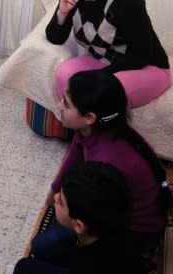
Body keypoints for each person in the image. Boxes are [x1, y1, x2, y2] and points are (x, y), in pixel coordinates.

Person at [32, 69, 169, 263]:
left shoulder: (109, 161)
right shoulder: (90, 130)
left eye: (67, 104)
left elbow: (99, 219)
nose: (59, 105)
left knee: (46, 247)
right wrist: (54, 190)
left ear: (90, 117)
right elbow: (73, 159)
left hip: (135, 231)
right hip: (112, 207)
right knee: (45, 243)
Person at [46, 0, 170, 108]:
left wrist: (98, 77)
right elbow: (55, 38)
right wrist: (62, 12)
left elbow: (141, 55)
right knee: (64, 74)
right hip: (105, 61)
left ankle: (98, 134)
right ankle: (77, 129)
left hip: (147, 67)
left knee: (105, 90)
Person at [14, 161, 146, 274]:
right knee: (42, 244)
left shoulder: (86, 266)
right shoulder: (117, 221)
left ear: (79, 226)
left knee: (24, 267)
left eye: (60, 201)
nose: (55, 198)